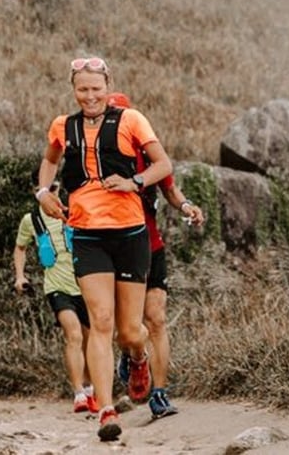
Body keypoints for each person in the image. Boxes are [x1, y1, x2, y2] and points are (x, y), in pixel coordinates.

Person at [35, 52, 172, 442]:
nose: (90, 96)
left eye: (96, 89)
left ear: (108, 87)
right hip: (88, 233)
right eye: (82, 90)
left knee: (130, 331)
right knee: (101, 322)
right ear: (74, 90)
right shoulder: (63, 126)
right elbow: (48, 162)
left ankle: (138, 358)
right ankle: (107, 410)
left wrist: (135, 182)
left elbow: (162, 165)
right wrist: (44, 191)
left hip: (129, 233)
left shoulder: (132, 120)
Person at [106, 92, 206, 420]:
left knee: (157, 318)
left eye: (121, 115)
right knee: (127, 329)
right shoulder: (97, 158)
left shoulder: (149, 154)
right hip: (115, 251)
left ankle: (160, 395)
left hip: (151, 247)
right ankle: (135, 355)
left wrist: (188, 206)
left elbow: (171, 190)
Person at [12, 186, 97, 415]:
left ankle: (90, 390)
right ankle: (78, 393)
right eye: (47, 189)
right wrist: (20, 276)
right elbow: (20, 248)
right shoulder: (32, 220)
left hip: (85, 284)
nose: (53, 192)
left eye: (55, 187)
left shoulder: (74, 210)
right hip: (57, 286)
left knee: (90, 339)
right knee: (74, 335)